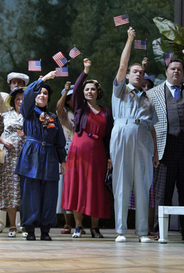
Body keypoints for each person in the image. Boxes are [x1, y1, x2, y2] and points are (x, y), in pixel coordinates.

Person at [110, 27, 158, 243]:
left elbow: (152, 127)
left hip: (142, 137)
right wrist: (129, 39)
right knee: (121, 182)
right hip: (122, 132)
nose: (138, 74)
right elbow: (122, 64)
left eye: (141, 72)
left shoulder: (147, 98)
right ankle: (121, 230)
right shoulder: (121, 90)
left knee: (142, 183)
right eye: (135, 71)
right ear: (128, 75)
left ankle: (141, 232)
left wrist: (155, 152)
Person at [61, 58, 113, 238]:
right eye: (87, 89)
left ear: (98, 92)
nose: (89, 91)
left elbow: (108, 137)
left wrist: (109, 157)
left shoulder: (106, 112)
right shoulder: (80, 108)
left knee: (96, 188)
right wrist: (85, 71)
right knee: (79, 186)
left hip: (98, 153)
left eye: (93, 89)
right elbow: (76, 88)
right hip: (78, 152)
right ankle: (77, 225)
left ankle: (95, 227)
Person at [16, 71, 66, 241]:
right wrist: (43, 79)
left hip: (50, 157)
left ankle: (45, 230)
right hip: (31, 155)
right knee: (30, 194)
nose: (42, 95)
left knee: (49, 195)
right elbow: (29, 92)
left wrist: (63, 160)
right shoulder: (28, 112)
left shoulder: (53, 117)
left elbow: (60, 140)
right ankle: (30, 229)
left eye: (45, 93)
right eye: (40, 92)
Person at [0, 54, 28, 234]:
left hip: (22, 150)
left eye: (20, 83)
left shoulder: (27, 104)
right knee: (2, 183)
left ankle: (18, 223)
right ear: (10, 85)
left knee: (19, 187)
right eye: (14, 82)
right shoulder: (5, 99)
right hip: (4, 149)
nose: (17, 85)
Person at [147, 58, 184, 239]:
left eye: (179, 69)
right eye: (173, 69)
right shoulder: (153, 93)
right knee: (163, 193)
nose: (176, 72)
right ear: (167, 71)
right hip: (164, 148)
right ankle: (160, 230)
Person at [0, 87, 26, 238]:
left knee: (25, 192)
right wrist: (3, 140)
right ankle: (12, 225)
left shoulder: (32, 116)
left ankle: (25, 224)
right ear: (14, 101)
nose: (20, 101)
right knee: (11, 191)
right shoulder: (4, 116)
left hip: (27, 158)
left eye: (23, 99)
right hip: (9, 159)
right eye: (18, 99)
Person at [55, 82, 76, 235]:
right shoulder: (64, 114)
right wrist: (65, 91)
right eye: (71, 97)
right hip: (67, 150)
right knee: (65, 187)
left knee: (77, 186)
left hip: (82, 151)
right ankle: (68, 222)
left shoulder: (84, 112)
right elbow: (58, 108)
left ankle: (79, 222)